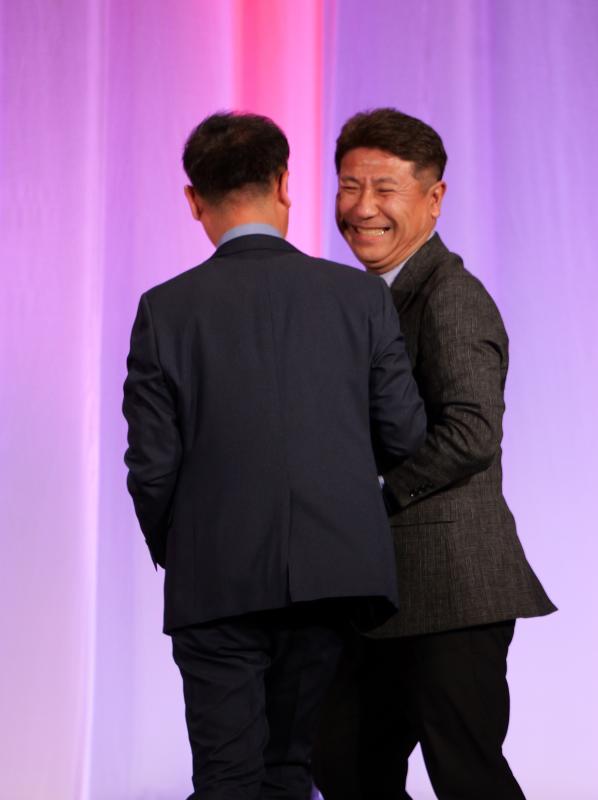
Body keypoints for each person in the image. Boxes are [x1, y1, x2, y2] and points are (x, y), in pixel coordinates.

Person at [121, 112, 426, 799]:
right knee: (292, 770)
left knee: (227, 777)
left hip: (215, 575)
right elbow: (404, 437)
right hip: (334, 574)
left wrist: (184, 544)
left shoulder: (165, 310)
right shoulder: (360, 298)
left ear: (193, 199)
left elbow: (152, 466)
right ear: (286, 183)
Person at [312, 108, 555, 800]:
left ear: (434, 197)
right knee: (344, 764)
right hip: (379, 591)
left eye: (384, 189)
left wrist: (373, 494)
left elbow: (472, 432)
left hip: (453, 589)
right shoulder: (365, 298)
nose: (363, 208)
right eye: (349, 186)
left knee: (466, 775)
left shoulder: (451, 296)